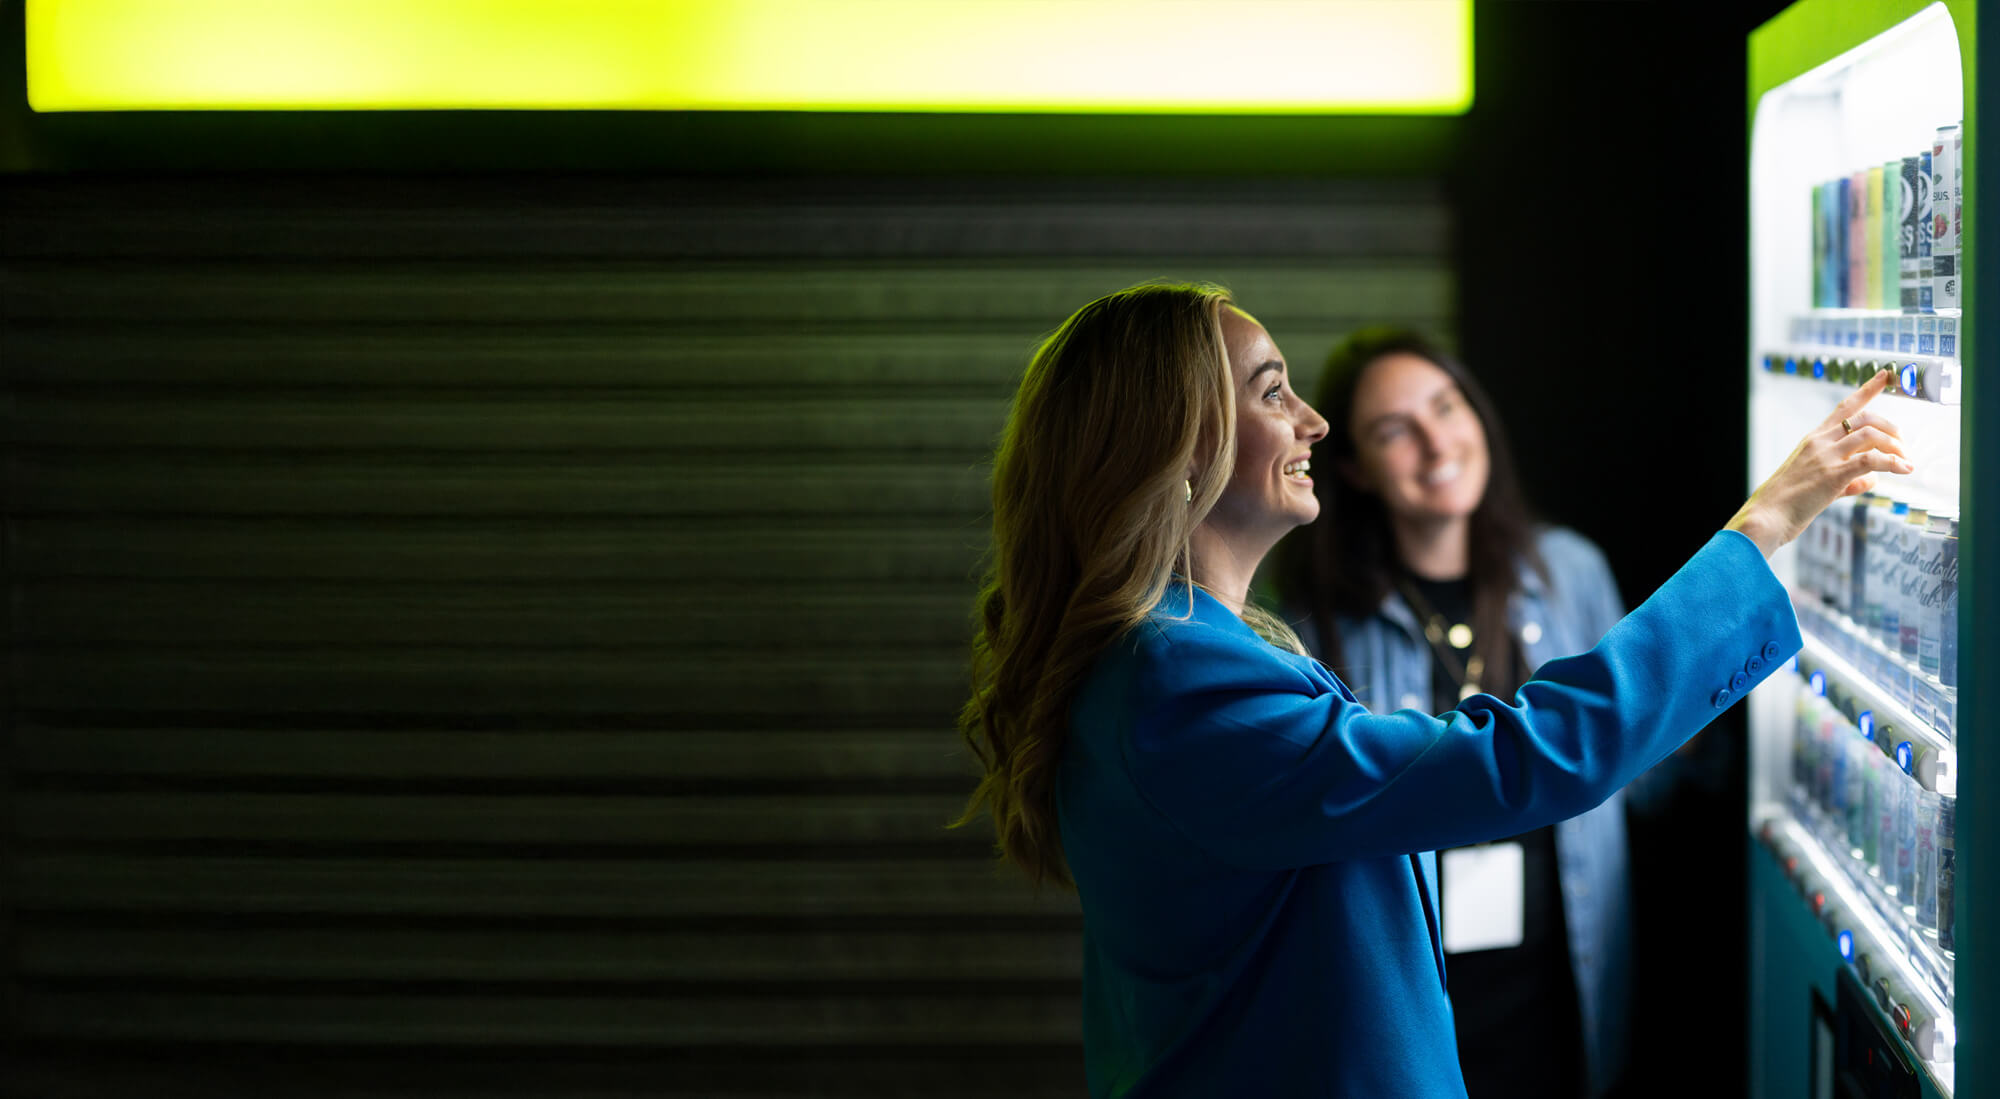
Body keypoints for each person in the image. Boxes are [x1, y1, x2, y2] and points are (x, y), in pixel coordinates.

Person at [954, 282, 1909, 1098]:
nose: (1312, 423)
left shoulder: (1184, 652)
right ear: (1177, 445)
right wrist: (1766, 522)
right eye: (1274, 391)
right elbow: (1523, 759)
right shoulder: (1178, 678)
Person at [1274, 329, 1640, 1098]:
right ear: (1353, 468)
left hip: (1565, 991)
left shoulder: (1570, 572)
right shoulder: (1317, 626)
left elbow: (1630, 751)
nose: (1435, 441)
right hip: (1410, 1009)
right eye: (1393, 429)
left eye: (1446, 406)